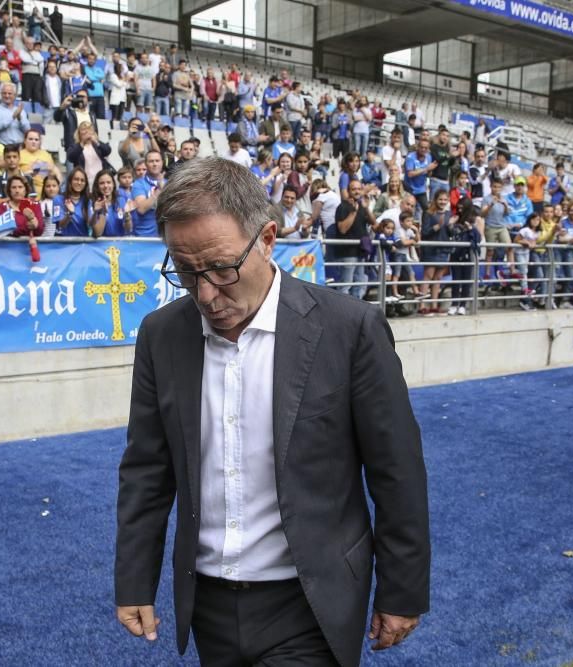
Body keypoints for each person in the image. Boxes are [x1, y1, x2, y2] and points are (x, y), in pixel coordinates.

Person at [116, 156, 430, 667]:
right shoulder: (161, 334)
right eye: (185, 271)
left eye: (221, 268)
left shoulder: (350, 330)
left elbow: (396, 469)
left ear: (266, 239)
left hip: (311, 601)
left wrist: (402, 589)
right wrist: (134, 578)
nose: (205, 293)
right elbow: (147, 470)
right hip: (209, 605)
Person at [419, 188, 454, 315]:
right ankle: (422, 304)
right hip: (431, 249)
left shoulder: (449, 214)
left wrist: (450, 226)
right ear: (435, 200)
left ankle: (434, 305)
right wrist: (437, 227)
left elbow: (451, 233)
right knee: (428, 276)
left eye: (445, 199)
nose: (442, 202)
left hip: (444, 248)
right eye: (440, 199)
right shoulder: (428, 213)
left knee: (438, 277)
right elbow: (425, 232)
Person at [0, 174, 43, 238]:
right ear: (9, 190)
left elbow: (40, 231)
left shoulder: (35, 205)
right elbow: (2, 230)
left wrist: (35, 225)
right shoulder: (3, 207)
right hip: (8, 246)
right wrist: (26, 228)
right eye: (14, 187)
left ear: (25, 190)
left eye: (20, 187)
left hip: (29, 245)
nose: (17, 191)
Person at [130, 150, 166, 237]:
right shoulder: (138, 184)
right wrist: (159, 190)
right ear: (146, 164)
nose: (154, 164)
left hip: (165, 236)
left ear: (162, 163)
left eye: (157, 161)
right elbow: (141, 209)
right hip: (145, 237)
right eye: (151, 161)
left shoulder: (169, 183)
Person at [18, 128, 61, 201]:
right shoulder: (19, 155)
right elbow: (16, 176)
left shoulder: (46, 154)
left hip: (46, 193)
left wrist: (56, 186)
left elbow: (55, 171)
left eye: (36, 139)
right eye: (30, 139)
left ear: (40, 142)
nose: (33, 142)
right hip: (27, 192)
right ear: (25, 141)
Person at [89, 168, 131, 237]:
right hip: (101, 246)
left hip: (121, 246)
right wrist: (103, 212)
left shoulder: (121, 200)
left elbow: (128, 229)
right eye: (102, 183)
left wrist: (127, 218)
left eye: (108, 182)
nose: (106, 186)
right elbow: (97, 233)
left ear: (113, 184)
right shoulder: (92, 203)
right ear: (97, 186)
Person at [66, 121, 110, 188]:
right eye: (84, 130)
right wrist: (83, 143)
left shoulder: (97, 145)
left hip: (100, 182)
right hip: (84, 182)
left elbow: (107, 150)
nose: (87, 132)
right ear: (79, 133)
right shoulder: (75, 146)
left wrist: (96, 141)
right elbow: (70, 157)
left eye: (89, 130)